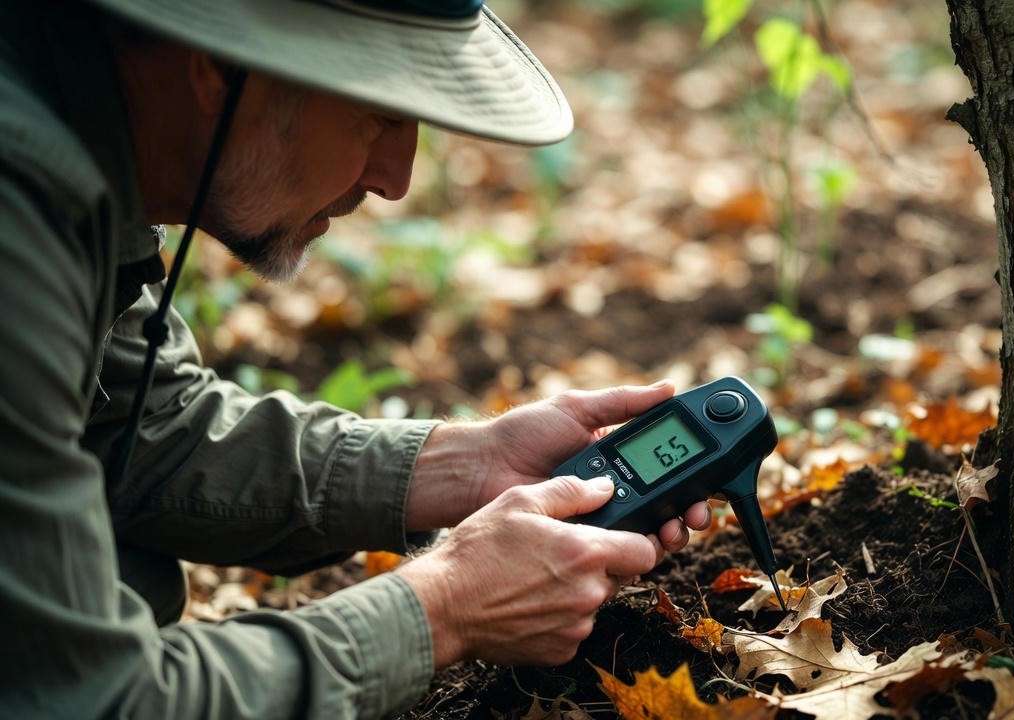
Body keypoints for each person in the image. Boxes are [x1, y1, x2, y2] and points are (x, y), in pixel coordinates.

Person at [0, 1, 712, 717]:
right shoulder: (17, 217)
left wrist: (461, 465)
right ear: (219, 65)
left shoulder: (69, 124)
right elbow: (89, 697)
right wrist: (444, 609)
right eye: (378, 113)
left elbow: (139, 420)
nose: (395, 177)